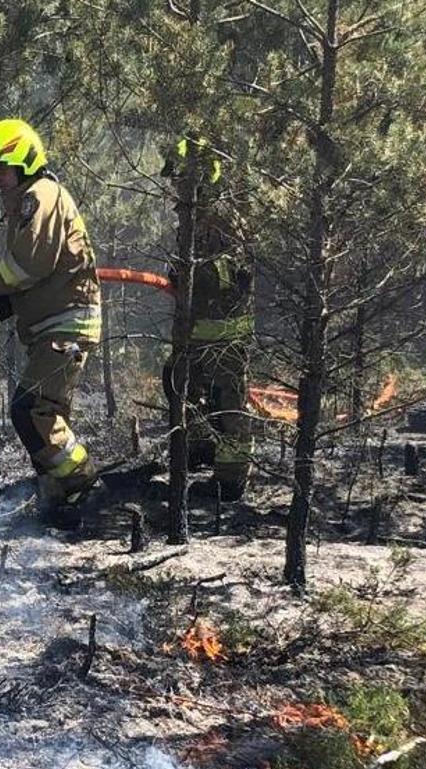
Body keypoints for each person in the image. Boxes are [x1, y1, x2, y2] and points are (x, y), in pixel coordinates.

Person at [0, 119, 102, 527]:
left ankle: (82, 484)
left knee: (31, 409)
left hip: (67, 324)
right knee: (42, 411)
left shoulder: (41, 195)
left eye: (0, 170)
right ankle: (58, 499)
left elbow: (29, 265)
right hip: (53, 324)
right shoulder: (30, 200)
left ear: (24, 162)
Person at [161, 136, 253, 502]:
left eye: (180, 179)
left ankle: (230, 479)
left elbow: (231, 275)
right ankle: (198, 453)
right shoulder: (193, 216)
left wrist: (191, 276)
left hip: (225, 333)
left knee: (228, 402)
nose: (174, 187)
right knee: (183, 388)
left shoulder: (224, 219)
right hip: (193, 329)